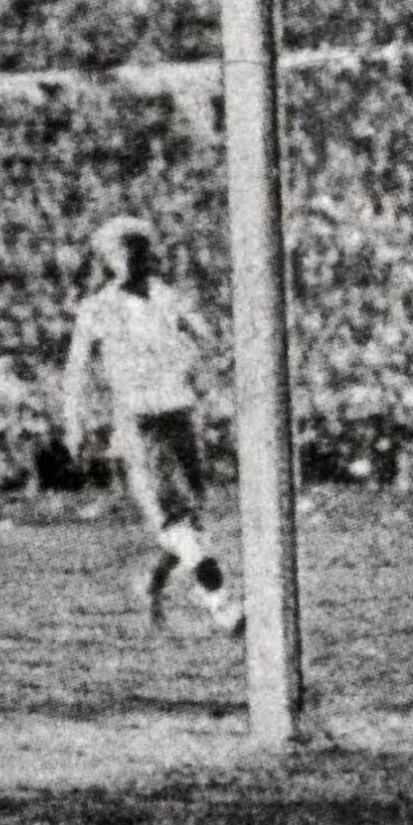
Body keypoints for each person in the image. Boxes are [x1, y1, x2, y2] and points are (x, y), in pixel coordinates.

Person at [60, 215, 242, 636]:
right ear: (108, 260)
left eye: (141, 252)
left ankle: (153, 583)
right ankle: (222, 604)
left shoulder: (165, 296)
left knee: (190, 523)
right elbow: (76, 371)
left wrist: (209, 345)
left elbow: (207, 337)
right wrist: (75, 422)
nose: (135, 261)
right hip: (138, 421)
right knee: (177, 519)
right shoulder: (97, 308)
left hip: (180, 412)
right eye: (124, 254)